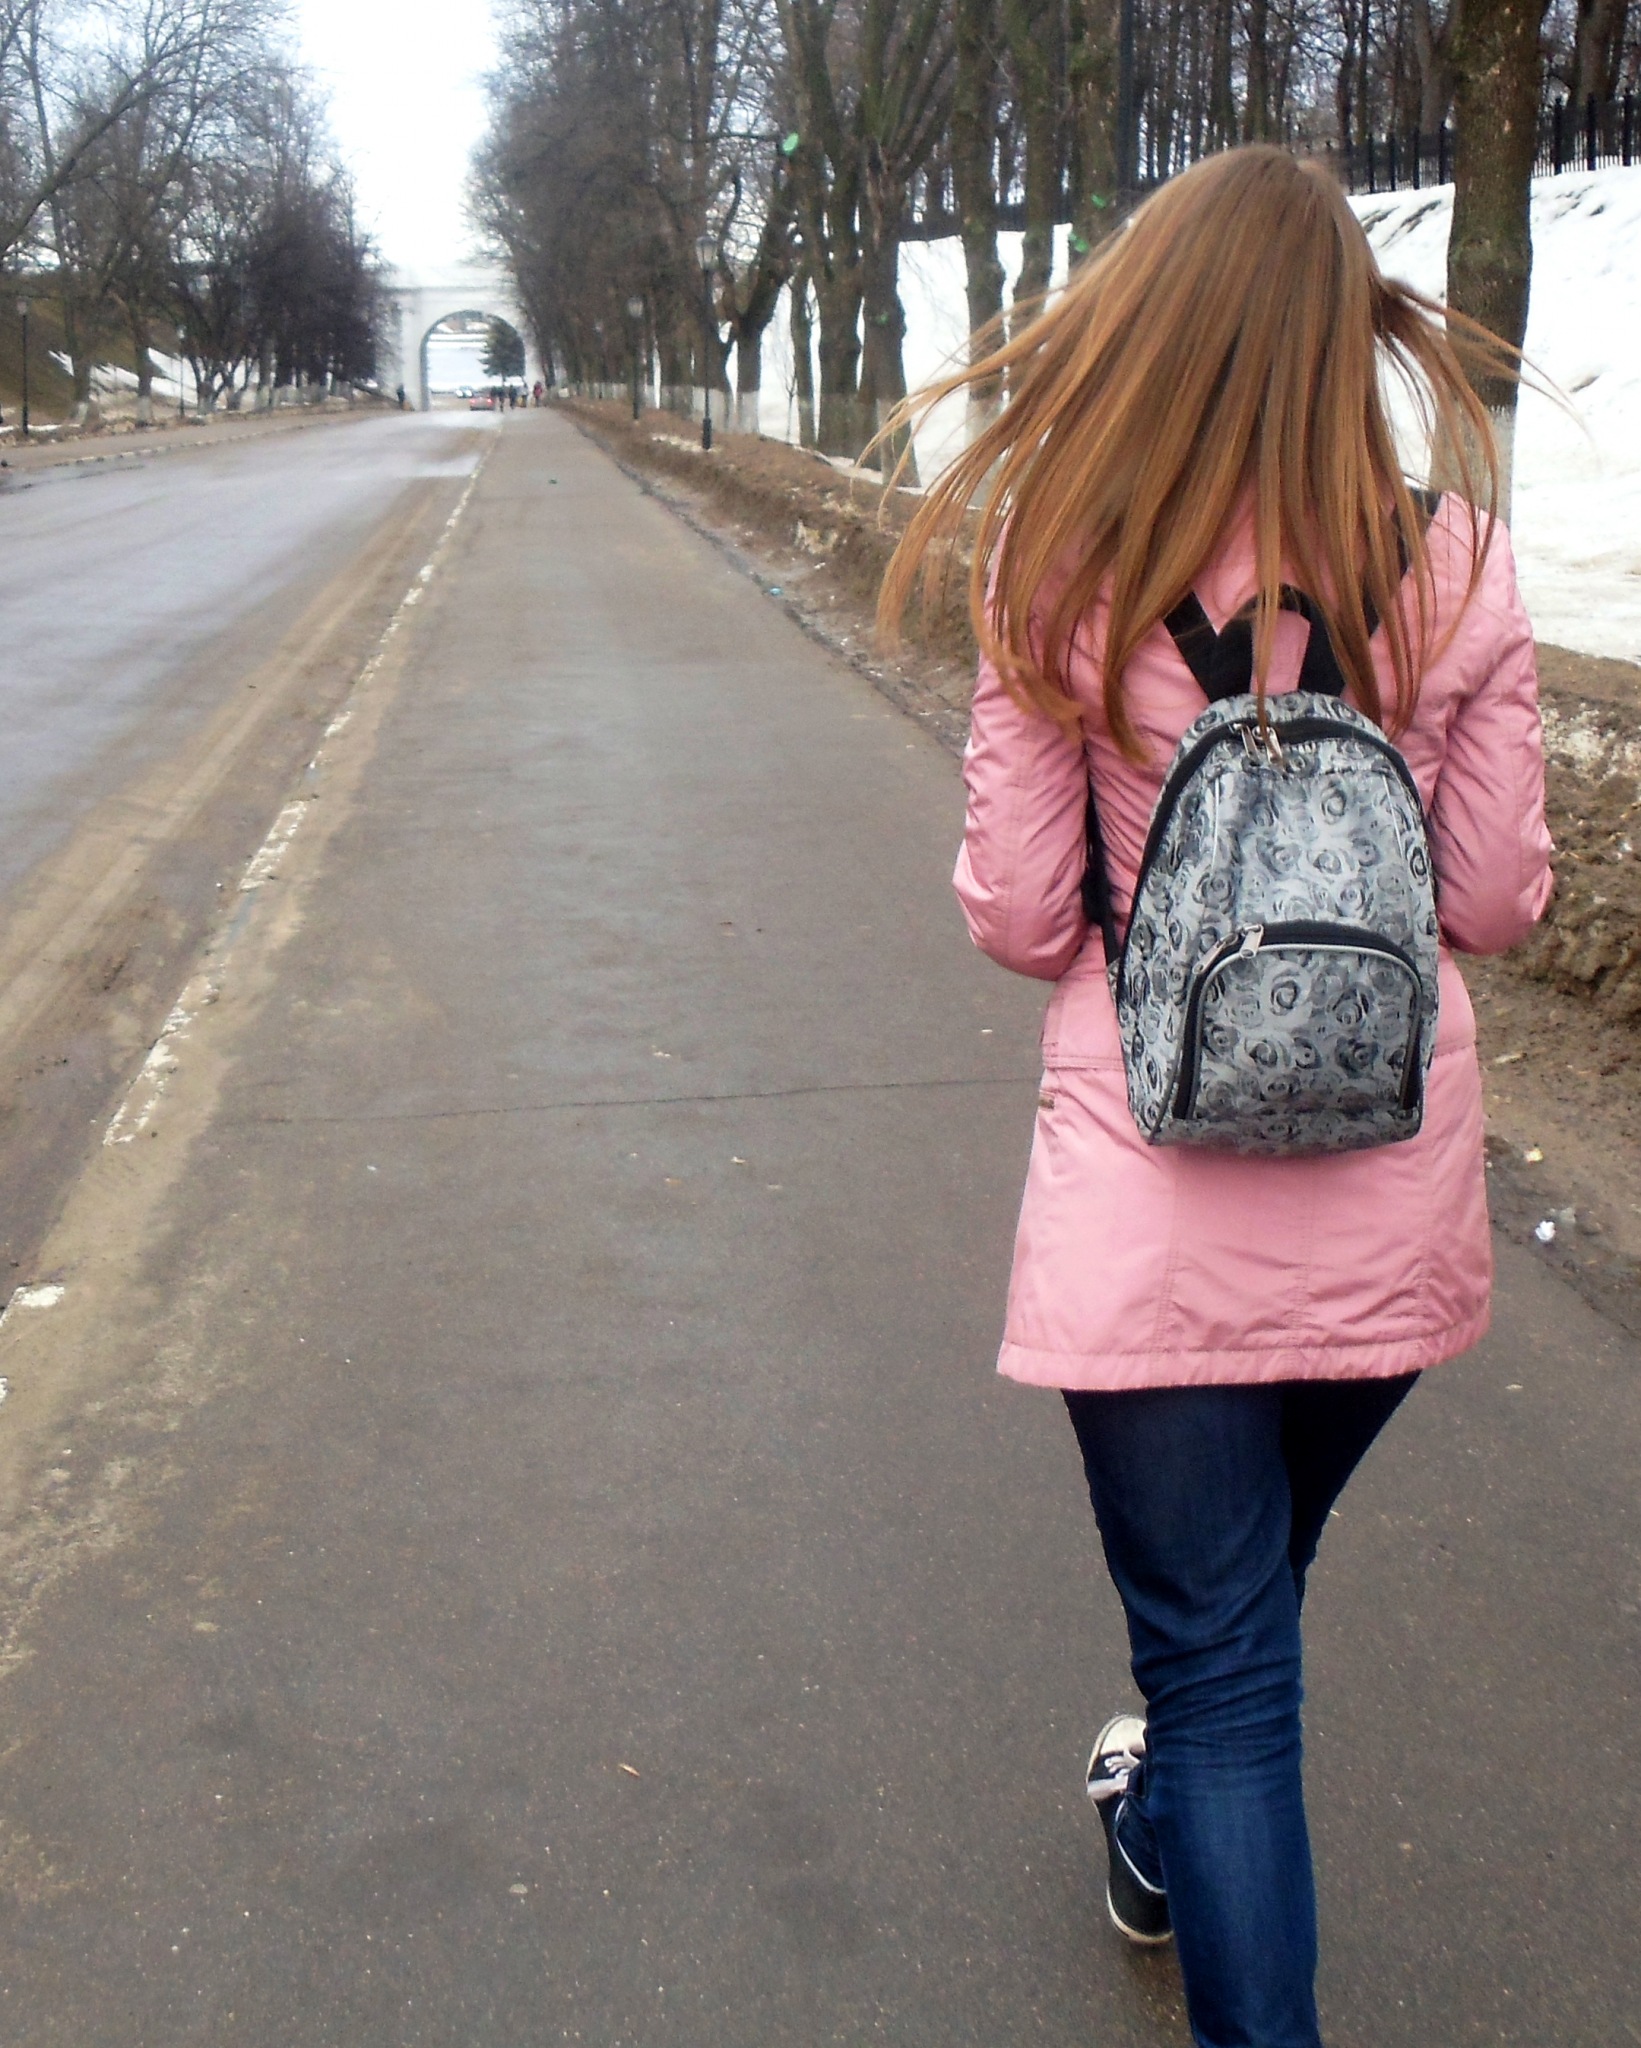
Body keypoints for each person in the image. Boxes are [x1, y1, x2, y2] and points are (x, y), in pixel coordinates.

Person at [878, 146, 1552, 2048]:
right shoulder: (1456, 562)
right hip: (1384, 1200)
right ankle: (1158, 1825)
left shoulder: (1059, 561)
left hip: (1147, 1208)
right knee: (1241, 1624)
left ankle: (1181, 1822)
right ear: (1347, 337)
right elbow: (1492, 901)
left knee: (1224, 1665)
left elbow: (1023, 915)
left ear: (1147, 325)